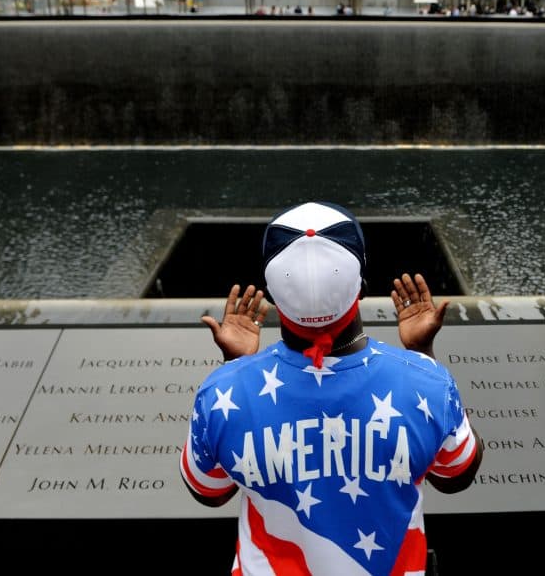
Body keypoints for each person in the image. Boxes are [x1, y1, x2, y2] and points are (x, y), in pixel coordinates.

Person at [181, 202, 483, 575]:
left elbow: (208, 490)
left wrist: (235, 367)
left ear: (273, 296)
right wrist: (422, 356)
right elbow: (456, 475)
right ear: (361, 286)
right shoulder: (428, 382)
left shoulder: (223, 392)